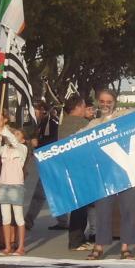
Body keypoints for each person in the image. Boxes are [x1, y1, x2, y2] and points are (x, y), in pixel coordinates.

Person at [87, 89, 135, 261]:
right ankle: (99, 246)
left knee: (128, 209)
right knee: (103, 210)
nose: (106, 104)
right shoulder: (93, 124)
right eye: (102, 101)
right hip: (104, 174)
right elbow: (76, 139)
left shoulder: (124, 116)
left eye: (109, 101)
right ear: (98, 103)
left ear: (115, 102)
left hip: (126, 171)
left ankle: (125, 248)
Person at [58, 94, 94, 252]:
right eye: (84, 105)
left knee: (77, 205)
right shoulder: (83, 123)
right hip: (82, 168)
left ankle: (78, 238)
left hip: (68, 167)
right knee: (81, 206)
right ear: (79, 107)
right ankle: (76, 241)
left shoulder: (63, 124)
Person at [24, 100, 66, 230]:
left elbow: (54, 140)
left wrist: (39, 143)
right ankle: (63, 221)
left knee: (39, 194)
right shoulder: (43, 122)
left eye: (35, 110)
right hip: (49, 162)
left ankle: (28, 221)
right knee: (55, 193)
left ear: (42, 109)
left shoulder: (51, 122)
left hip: (51, 162)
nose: (33, 113)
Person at [0, 114, 28, 256]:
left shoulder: (22, 149)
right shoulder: (5, 149)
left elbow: (13, 140)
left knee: (19, 218)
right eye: (15, 133)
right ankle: (8, 247)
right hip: (4, 185)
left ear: (23, 139)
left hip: (16, 186)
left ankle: (21, 247)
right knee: (5, 218)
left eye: (18, 134)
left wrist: (3, 129)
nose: (15, 135)